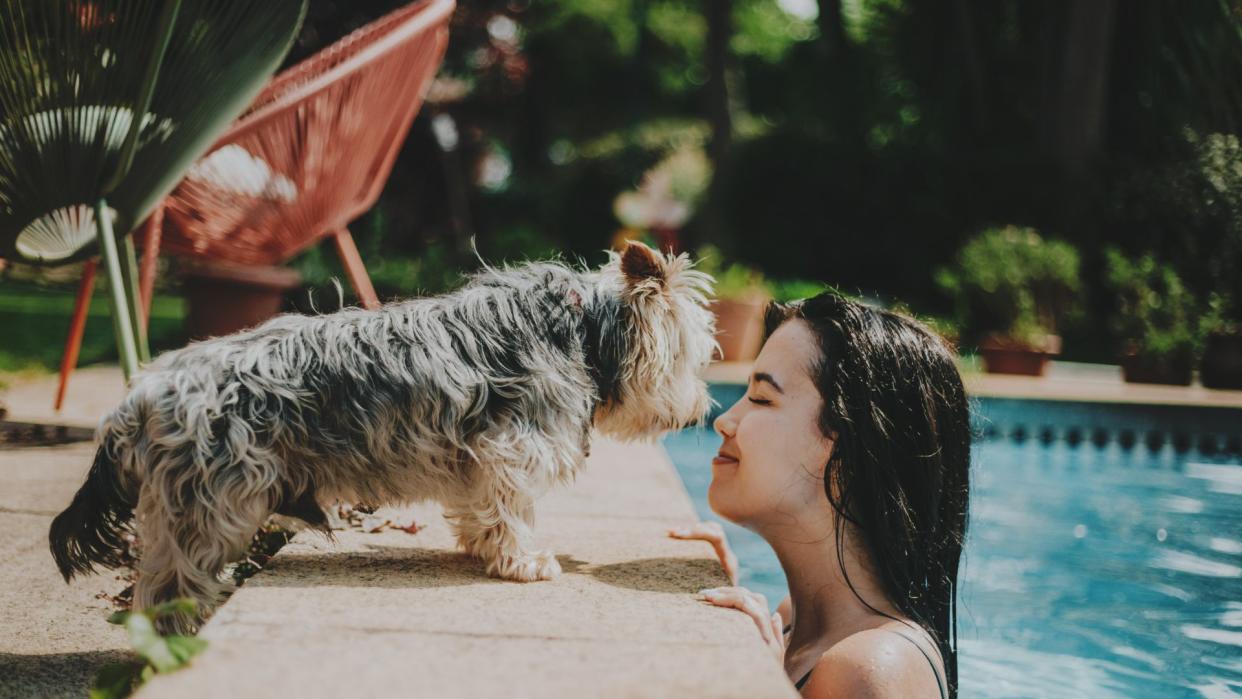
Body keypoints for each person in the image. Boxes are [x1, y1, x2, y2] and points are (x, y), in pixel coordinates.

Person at [669, 293, 971, 697]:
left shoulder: (870, 668)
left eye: (761, 397)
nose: (725, 420)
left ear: (847, 446)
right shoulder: (793, 622)